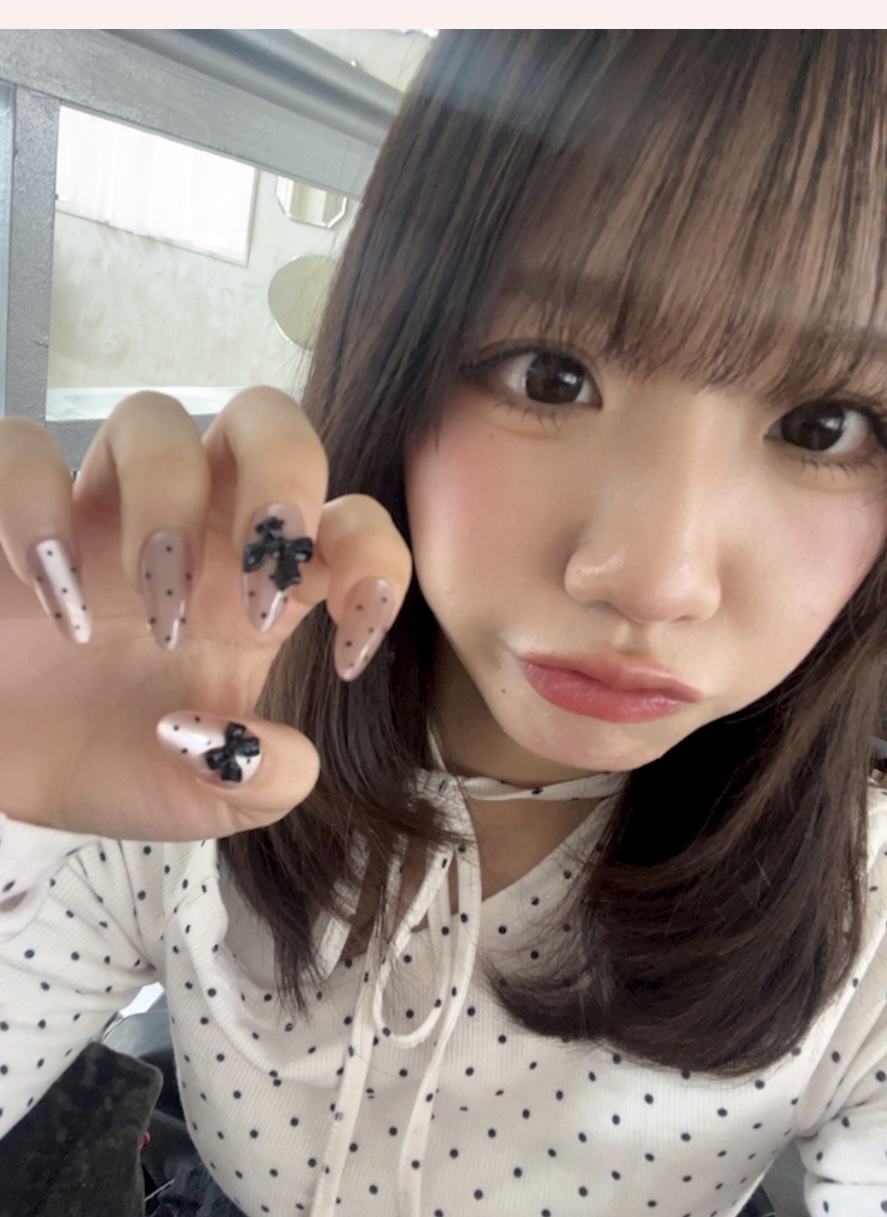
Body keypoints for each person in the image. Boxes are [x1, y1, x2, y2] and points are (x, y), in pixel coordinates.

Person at [1, 29, 886, 1217]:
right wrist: (11, 810)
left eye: (824, 426)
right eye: (548, 375)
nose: (654, 581)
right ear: (401, 358)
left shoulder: (866, 908)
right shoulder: (186, 733)